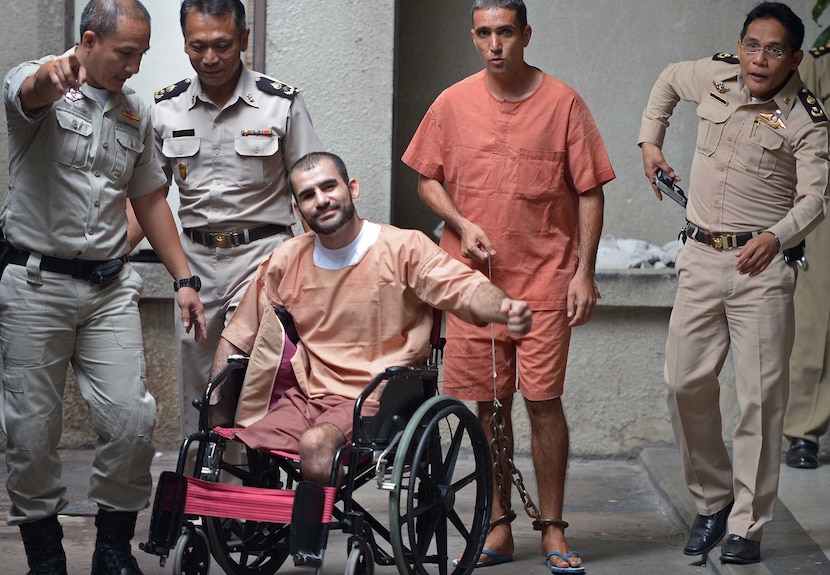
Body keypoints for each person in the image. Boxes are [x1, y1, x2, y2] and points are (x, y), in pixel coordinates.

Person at [0, 1, 207, 574]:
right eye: (125, 53)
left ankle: (113, 550)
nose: (136, 66)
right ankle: (45, 553)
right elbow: (31, 92)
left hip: (110, 287)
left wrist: (184, 278)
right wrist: (52, 77)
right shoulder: (39, 81)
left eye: (141, 53)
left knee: (133, 422)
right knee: (32, 431)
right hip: (36, 285)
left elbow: (150, 201)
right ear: (88, 40)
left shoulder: (135, 112)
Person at [401, 1, 612, 573]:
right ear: (475, 37)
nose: (496, 44)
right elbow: (427, 179)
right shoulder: (452, 102)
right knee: (490, 403)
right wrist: (461, 223)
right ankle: (497, 525)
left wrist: (583, 273)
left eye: (506, 32)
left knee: (543, 402)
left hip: (545, 279)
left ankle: (553, 527)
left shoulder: (563, 102)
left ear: (525, 35)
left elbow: (590, 190)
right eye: (485, 33)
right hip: (474, 286)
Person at [210, 151, 532, 486]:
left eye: (328, 187)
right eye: (307, 195)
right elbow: (239, 332)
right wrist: (214, 395)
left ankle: (306, 539)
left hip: (376, 398)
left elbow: (467, 289)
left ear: (352, 188)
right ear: (297, 209)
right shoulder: (286, 259)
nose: (321, 200)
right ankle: (266, 529)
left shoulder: (404, 248)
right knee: (237, 436)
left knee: (316, 444)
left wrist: (505, 308)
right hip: (307, 396)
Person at [638, 2, 829, 565]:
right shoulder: (717, 75)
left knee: (761, 403)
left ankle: (747, 524)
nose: (759, 58)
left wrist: (777, 235)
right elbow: (670, 78)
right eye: (752, 44)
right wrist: (651, 141)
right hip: (699, 258)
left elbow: (816, 197)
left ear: (795, 58)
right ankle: (713, 499)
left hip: (761, 270)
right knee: (681, 383)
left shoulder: (806, 119)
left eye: (774, 50)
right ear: (740, 45)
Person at [152, 0, 324, 438]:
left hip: (262, 259)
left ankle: (247, 497)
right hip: (195, 266)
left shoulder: (279, 103)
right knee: (201, 391)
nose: (210, 58)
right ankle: (201, 499)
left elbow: (312, 192)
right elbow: (147, 200)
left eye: (223, 45)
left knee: (250, 382)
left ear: (244, 39)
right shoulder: (166, 109)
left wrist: (327, 273)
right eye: (198, 46)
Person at [783, 41, 830, 469]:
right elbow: (783, 123)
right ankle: (804, 431)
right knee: (816, 322)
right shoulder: (818, 62)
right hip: (822, 204)